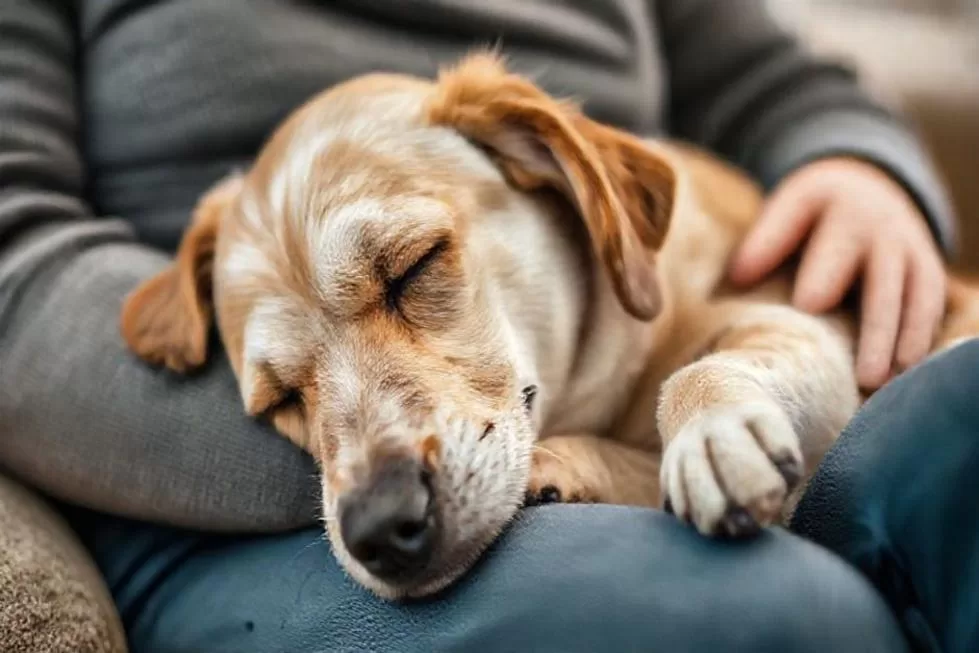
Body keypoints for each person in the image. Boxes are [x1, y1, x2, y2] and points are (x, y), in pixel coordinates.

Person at [0, 1, 968, 651]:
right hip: (227, 515)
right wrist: (294, 435)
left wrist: (857, 163)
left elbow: (764, 73)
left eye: (413, 270)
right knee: (773, 616)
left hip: (674, 344)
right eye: (291, 393)